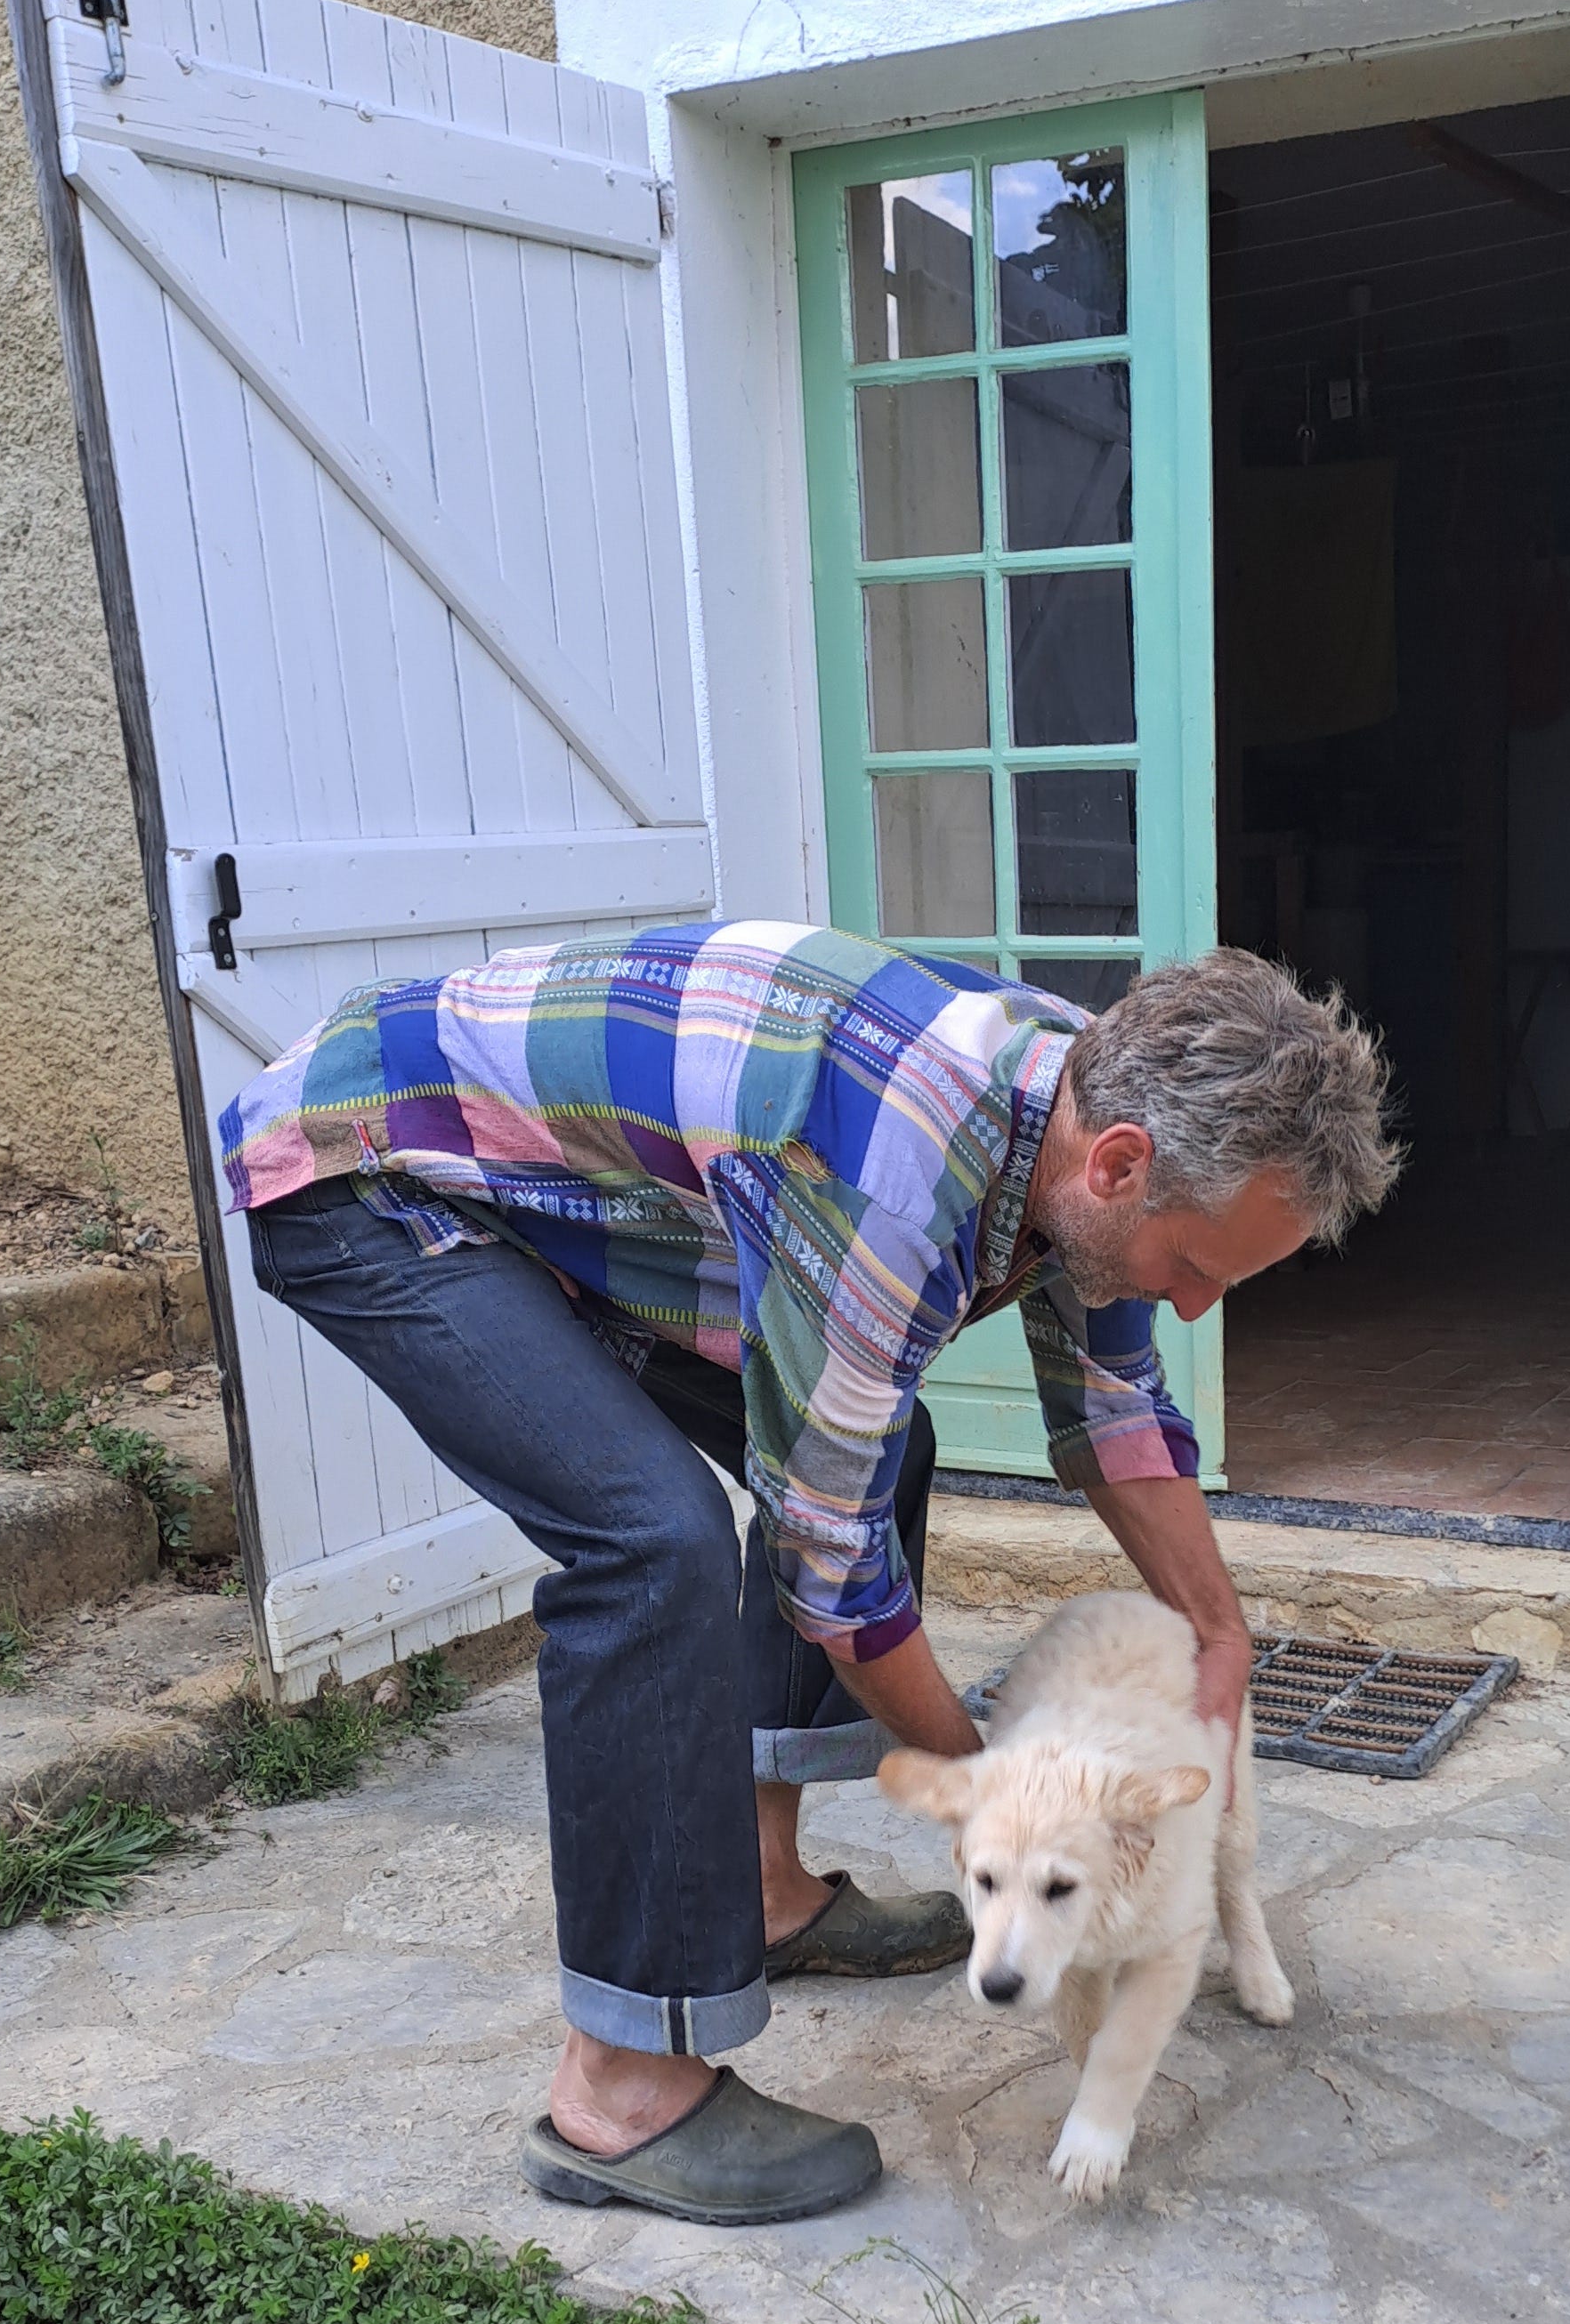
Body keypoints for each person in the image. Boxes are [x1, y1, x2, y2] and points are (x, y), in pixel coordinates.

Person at [219, 923, 1397, 2224]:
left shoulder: (1095, 1110)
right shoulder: (899, 1172)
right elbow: (830, 1561)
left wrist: (1218, 1632)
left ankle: (772, 1891)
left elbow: (1113, 1403)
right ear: (1121, 1169)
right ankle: (618, 2091)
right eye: (1194, 1270)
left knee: (878, 1445)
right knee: (648, 1545)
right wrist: (987, 1793)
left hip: (570, 1190)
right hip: (375, 1174)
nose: (1189, 1307)